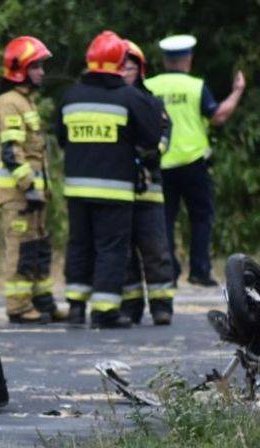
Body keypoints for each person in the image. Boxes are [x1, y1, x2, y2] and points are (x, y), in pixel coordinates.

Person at [57, 30, 163, 328]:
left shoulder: (71, 96)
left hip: (77, 189)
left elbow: (61, 138)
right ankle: (104, 310)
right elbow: (151, 137)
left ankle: (76, 308)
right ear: (118, 64)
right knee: (111, 249)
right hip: (115, 191)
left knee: (79, 245)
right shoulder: (129, 97)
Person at [145, 34, 245, 287]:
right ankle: (199, 270)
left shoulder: (150, 86)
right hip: (193, 161)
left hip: (161, 161)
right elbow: (218, 116)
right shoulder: (195, 86)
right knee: (201, 218)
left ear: (165, 60)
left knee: (165, 220)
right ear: (188, 59)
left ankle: (169, 272)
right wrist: (237, 92)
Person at [0, 35, 64, 324]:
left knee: (39, 248)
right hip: (18, 196)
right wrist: (28, 186)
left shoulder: (26, 103)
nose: (42, 73)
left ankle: (43, 302)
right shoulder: (9, 103)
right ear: (20, 69)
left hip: (33, 195)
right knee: (21, 250)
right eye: (36, 67)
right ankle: (19, 307)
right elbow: (12, 153)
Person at [120, 40, 176, 325]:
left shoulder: (151, 103)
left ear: (139, 70)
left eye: (128, 68)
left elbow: (165, 133)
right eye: (119, 68)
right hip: (121, 191)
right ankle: (131, 306)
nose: (124, 73)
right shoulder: (113, 103)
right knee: (125, 252)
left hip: (149, 188)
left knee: (156, 249)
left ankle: (162, 305)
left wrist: (154, 153)